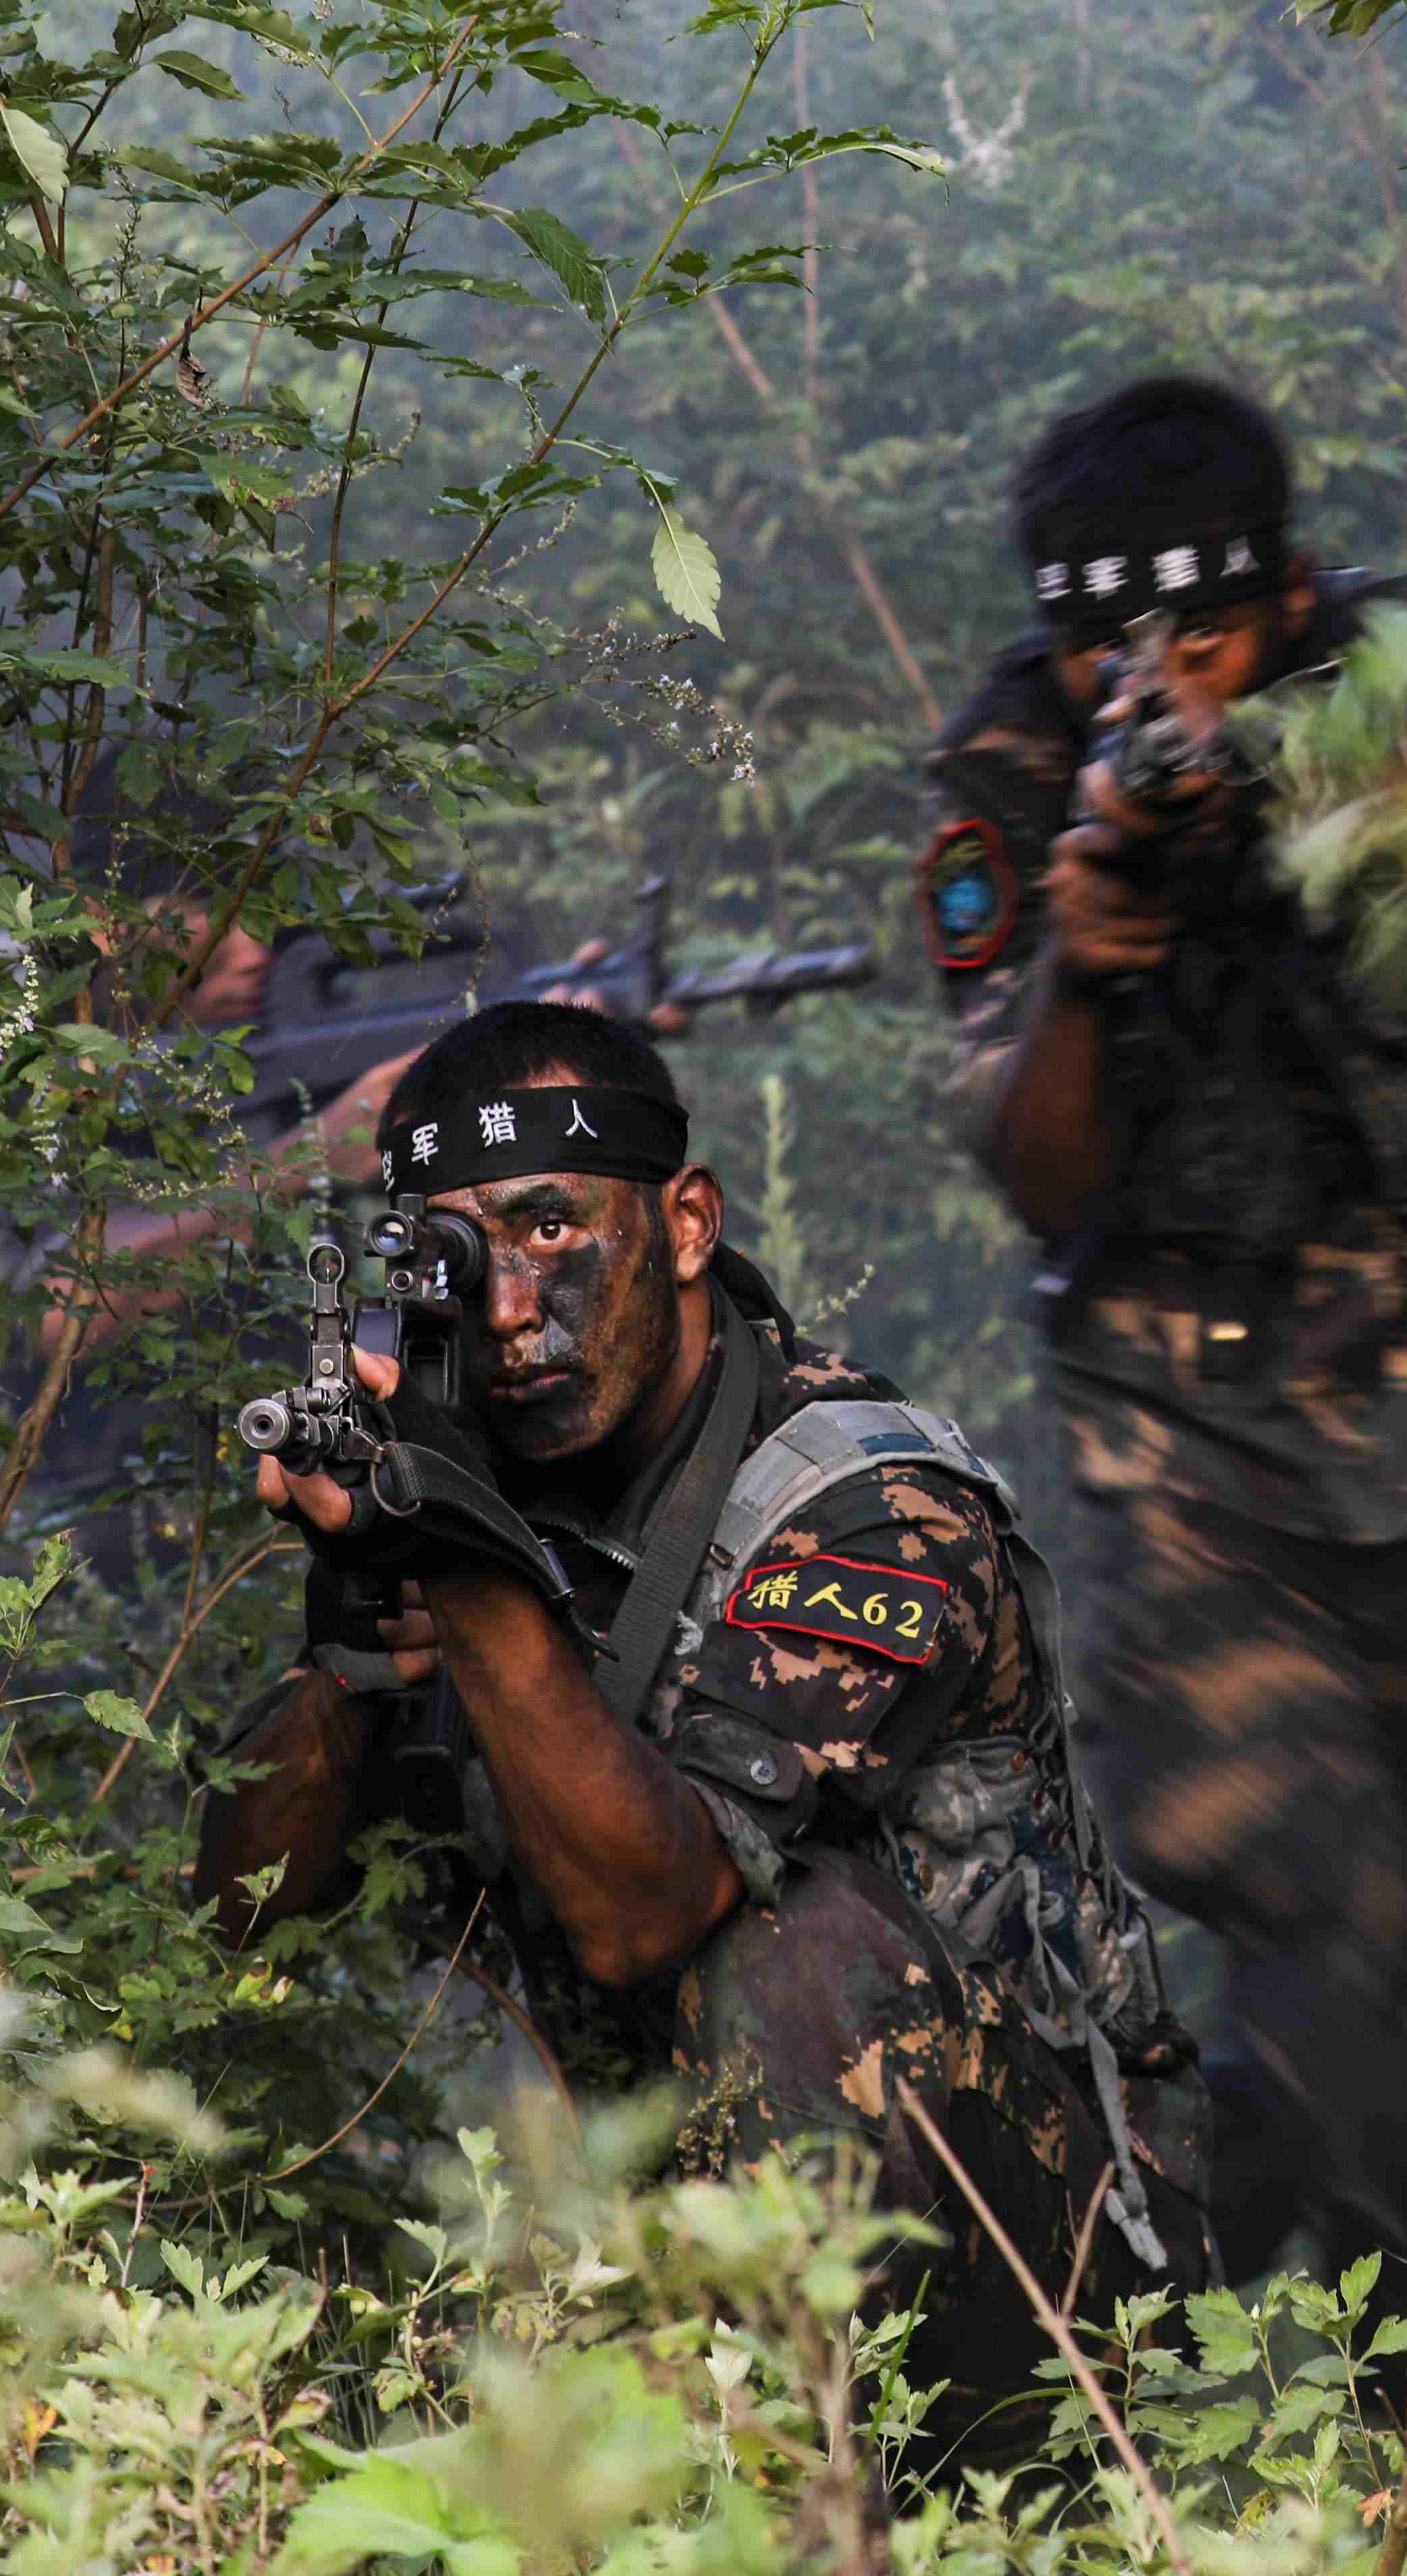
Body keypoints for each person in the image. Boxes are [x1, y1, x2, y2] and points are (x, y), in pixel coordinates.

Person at [191, 1000, 1204, 2458]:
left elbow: (650, 1916)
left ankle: (859, 2488)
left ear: (685, 1226)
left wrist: (467, 1572)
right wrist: (355, 1643)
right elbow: (236, 1915)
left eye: (552, 1230)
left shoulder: (869, 1503)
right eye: (459, 1258)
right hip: (657, 2215)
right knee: (358, 1987)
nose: (507, 1311)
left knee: (795, 1958)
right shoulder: (471, 1456)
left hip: (1046, 2261)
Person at [917, 375, 1407, 2420]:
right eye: (1108, 645)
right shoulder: (1016, 771)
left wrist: (1269, 809)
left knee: (1368, 1991)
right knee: (1315, 1910)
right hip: (1183, 1437)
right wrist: (1083, 954)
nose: (1153, 683)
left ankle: (1091, 2334)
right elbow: (1035, 1169)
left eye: (1199, 634)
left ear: (1286, 594)